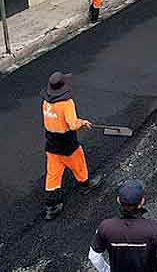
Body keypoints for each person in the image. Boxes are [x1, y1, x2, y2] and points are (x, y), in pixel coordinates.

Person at [42, 71, 103, 221]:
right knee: (79, 164)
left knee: (53, 174)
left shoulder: (46, 103)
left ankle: (51, 206)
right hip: (67, 144)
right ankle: (85, 185)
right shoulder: (66, 103)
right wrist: (82, 122)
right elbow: (72, 124)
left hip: (51, 143)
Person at [88, 180, 157, 272]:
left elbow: (94, 256)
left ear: (118, 201)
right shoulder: (155, 229)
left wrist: (106, 270)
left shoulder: (106, 227)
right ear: (142, 202)